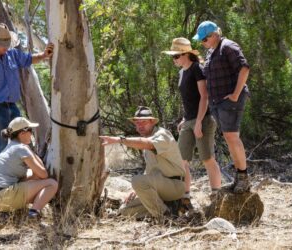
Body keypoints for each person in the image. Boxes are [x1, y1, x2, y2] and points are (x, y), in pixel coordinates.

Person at [0, 23, 54, 157]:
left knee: (23, 147)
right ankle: (4, 177)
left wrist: (44, 55)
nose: (6, 47)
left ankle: (23, 176)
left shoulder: (13, 54)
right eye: (2, 44)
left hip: (13, 107)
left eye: (7, 44)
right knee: (2, 151)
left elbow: (29, 59)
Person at [193, 21, 251, 193]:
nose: (202, 42)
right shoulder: (212, 51)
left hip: (229, 101)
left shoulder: (228, 46)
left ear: (214, 35)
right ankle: (239, 178)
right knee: (229, 138)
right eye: (201, 40)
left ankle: (243, 178)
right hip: (218, 103)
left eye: (204, 39)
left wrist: (235, 94)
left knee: (232, 137)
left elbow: (244, 68)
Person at [99, 106, 186, 221]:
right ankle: (169, 207)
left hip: (174, 186)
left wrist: (120, 140)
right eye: (137, 123)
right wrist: (136, 190)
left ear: (152, 122)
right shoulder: (147, 140)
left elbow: (148, 144)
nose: (140, 126)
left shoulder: (162, 134)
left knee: (137, 180)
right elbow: (150, 170)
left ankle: (165, 217)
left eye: (143, 122)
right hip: (159, 188)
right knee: (125, 211)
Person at [162, 37, 222, 201]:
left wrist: (198, 123)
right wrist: (185, 119)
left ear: (186, 54)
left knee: (207, 158)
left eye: (176, 56)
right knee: (182, 160)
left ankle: (217, 195)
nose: (174, 59)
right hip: (189, 121)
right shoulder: (182, 72)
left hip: (203, 119)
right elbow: (188, 100)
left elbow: (204, 97)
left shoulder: (197, 69)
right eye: (173, 56)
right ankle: (185, 197)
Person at [0, 117, 58, 219]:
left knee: (32, 176)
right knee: (52, 184)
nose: (32, 134)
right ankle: (33, 215)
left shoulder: (11, 146)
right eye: (30, 130)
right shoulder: (21, 148)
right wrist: (32, 152)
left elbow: (33, 176)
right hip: (4, 196)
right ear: (22, 133)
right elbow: (44, 174)